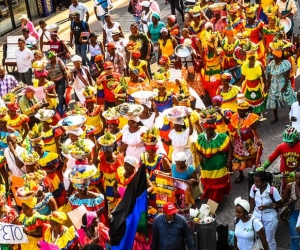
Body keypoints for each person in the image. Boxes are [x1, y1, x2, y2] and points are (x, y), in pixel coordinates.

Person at [196, 118, 231, 202]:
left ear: (214, 129)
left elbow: (229, 148)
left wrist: (229, 160)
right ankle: (209, 195)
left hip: (218, 162)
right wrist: (200, 156)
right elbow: (197, 149)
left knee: (218, 182)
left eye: (210, 131)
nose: (208, 133)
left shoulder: (221, 137)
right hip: (206, 164)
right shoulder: (201, 137)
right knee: (208, 181)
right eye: (207, 130)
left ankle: (216, 198)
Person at [230, 94, 262, 183]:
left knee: (254, 157)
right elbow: (233, 129)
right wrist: (232, 137)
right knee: (240, 159)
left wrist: (258, 139)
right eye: (239, 110)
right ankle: (241, 175)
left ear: (247, 110)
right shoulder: (234, 117)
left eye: (242, 111)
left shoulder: (251, 118)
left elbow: (255, 129)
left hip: (249, 142)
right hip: (238, 143)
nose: (240, 112)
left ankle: (258, 173)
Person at [249, 171, 282, 250]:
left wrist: (268, 206)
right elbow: (252, 201)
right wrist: (249, 213)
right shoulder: (254, 188)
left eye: (258, 182)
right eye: (254, 181)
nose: (255, 183)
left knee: (269, 240)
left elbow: (280, 203)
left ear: (264, 182)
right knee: (257, 238)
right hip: (256, 217)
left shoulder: (272, 190)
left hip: (270, 219)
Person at [266, 44, 296, 124]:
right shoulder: (272, 63)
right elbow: (270, 74)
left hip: (283, 84)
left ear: (278, 56)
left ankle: (294, 114)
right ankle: (275, 117)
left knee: (288, 101)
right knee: (273, 101)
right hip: (274, 84)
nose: (273, 56)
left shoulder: (285, 64)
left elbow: (287, 76)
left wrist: (285, 85)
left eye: (274, 55)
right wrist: (268, 83)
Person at [238, 49, 266, 115]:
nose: (251, 60)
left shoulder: (259, 65)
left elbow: (263, 76)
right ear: (248, 58)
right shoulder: (245, 65)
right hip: (248, 85)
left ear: (255, 57)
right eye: (250, 58)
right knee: (248, 98)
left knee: (258, 98)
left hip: (257, 84)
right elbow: (243, 76)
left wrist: (265, 86)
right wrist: (238, 85)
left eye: (253, 58)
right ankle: (250, 112)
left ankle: (258, 113)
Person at [282, 168, 300, 250]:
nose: (297, 180)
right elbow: (283, 200)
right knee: (295, 237)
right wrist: (290, 201)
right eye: (296, 178)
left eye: (299, 179)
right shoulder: (290, 186)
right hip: (294, 214)